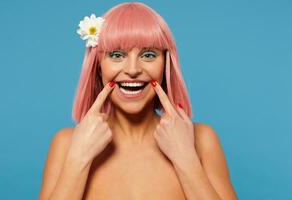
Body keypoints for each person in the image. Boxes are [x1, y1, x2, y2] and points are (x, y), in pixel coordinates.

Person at [38, 2, 238, 200]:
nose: (133, 69)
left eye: (148, 55)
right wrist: (78, 159)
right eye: (117, 55)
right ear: (98, 66)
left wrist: (186, 160)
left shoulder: (202, 140)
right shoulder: (66, 144)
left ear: (165, 65)